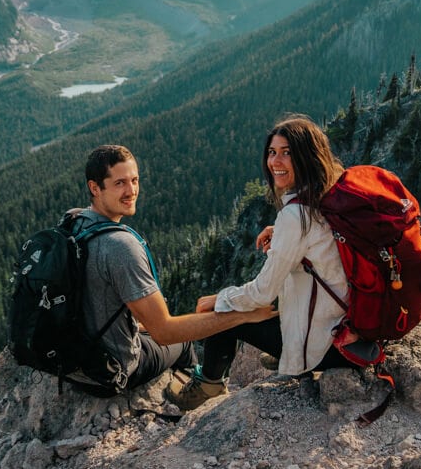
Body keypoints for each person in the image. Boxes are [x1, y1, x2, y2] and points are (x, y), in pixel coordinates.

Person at [166, 115, 378, 410]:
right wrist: (281, 236)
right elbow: (321, 247)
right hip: (353, 332)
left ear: (306, 156)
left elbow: (263, 293)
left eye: (287, 152)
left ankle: (207, 387)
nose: (275, 161)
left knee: (224, 315)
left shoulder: (296, 216)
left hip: (329, 345)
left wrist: (220, 298)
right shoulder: (331, 196)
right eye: (272, 152)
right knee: (240, 305)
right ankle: (284, 349)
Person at [69, 144, 276, 391]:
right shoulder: (119, 246)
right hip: (109, 369)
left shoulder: (75, 222)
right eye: (119, 183)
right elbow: (165, 333)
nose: (131, 190)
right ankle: (195, 397)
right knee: (183, 345)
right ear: (95, 188)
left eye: (134, 180)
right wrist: (244, 315)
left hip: (75, 357)